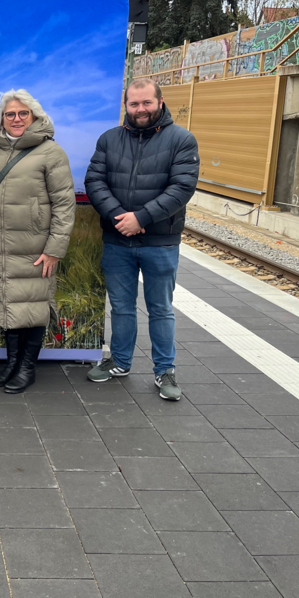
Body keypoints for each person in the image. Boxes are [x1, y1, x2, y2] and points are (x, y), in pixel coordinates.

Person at [84, 78, 199, 400]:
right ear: (126, 106)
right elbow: (95, 181)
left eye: (146, 102)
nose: (140, 109)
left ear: (160, 102)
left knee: (160, 308)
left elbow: (182, 188)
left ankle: (165, 371)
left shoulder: (182, 140)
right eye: (134, 104)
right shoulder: (109, 140)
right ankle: (120, 362)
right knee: (121, 307)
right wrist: (121, 217)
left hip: (160, 242)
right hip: (118, 239)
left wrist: (141, 218)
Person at [0, 90, 76, 393]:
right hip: (0, 246)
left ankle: (27, 367)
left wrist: (54, 250)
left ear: (35, 116)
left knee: (33, 304)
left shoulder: (51, 152)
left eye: (23, 114)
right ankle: (11, 363)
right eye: (10, 114)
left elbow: (64, 205)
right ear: (2, 119)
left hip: (36, 247)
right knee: (8, 301)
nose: (17, 119)